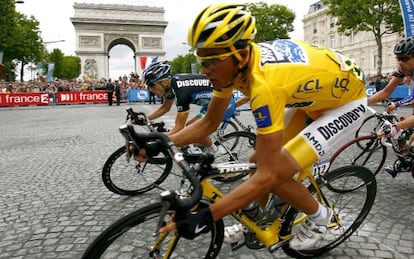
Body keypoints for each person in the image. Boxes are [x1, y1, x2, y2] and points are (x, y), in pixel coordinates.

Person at [151, 4, 367, 250]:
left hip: (347, 103)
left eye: (211, 61)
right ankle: (257, 221)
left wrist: (207, 217)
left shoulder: (264, 84)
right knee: (257, 159)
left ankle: (321, 219)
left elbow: (268, 175)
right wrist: (157, 141)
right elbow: (209, 123)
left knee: (275, 175)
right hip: (312, 96)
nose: (204, 69)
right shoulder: (231, 66)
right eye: (202, 60)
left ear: (240, 55)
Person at [141, 61, 236, 151]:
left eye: (151, 85)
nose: (150, 90)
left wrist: (159, 142)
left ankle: (214, 150)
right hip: (211, 104)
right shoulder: (171, 86)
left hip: (225, 103)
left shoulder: (181, 91)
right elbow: (165, 108)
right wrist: (144, 118)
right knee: (191, 128)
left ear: (164, 81)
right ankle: (202, 150)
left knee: (193, 128)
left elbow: (179, 127)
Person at [368, 36, 414, 115]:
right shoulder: (401, 68)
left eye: (404, 59)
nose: (400, 63)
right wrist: (360, 104)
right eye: (398, 59)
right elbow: (385, 92)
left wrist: (396, 104)